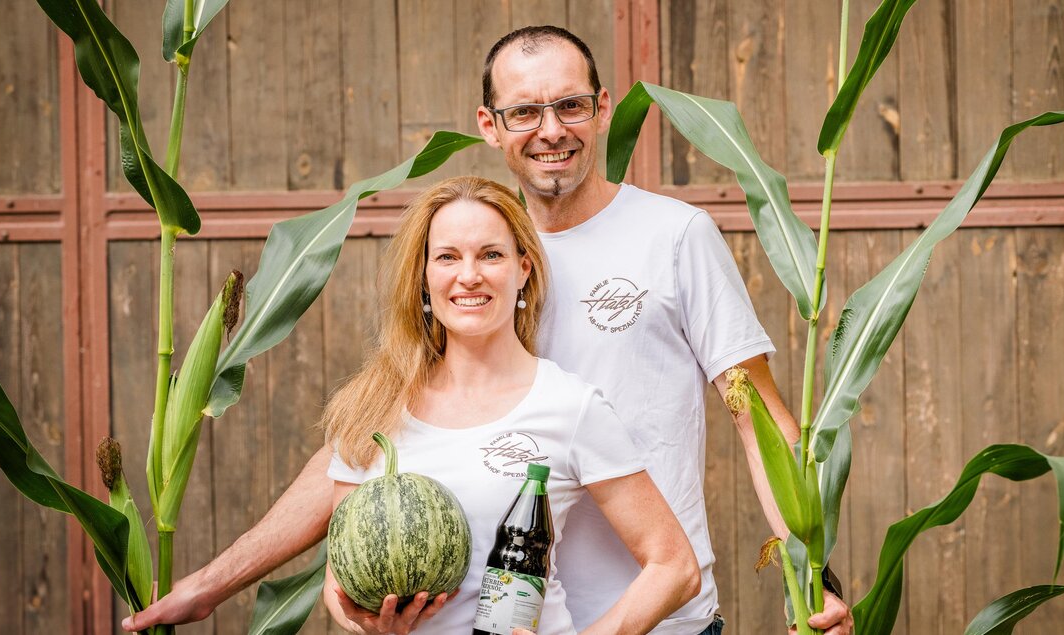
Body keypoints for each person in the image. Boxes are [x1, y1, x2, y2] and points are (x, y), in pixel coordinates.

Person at [124, 26, 852, 635]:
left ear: (602, 110)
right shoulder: (469, 268)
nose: (552, 131)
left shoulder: (674, 236)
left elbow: (758, 419)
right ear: (490, 124)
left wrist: (812, 571)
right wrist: (214, 585)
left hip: (659, 616)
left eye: (570, 105)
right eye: (525, 111)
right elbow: (362, 449)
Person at [317, 175, 698, 634]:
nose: (469, 275)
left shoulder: (569, 406)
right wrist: (368, 625)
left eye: (491, 254)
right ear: (423, 277)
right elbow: (337, 584)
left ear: (524, 269)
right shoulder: (369, 408)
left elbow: (675, 566)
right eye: (447, 257)